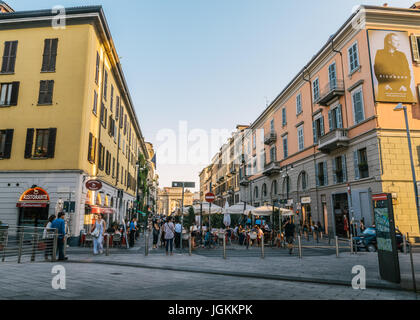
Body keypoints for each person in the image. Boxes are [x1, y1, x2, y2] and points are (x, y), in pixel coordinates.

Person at [374, 32, 414, 103]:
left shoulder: (401, 55)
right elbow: (377, 70)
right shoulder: (380, 53)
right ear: (389, 42)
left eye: (398, 41)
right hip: (386, 88)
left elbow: (407, 71)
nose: (398, 43)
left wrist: (405, 85)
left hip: (403, 89)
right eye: (396, 41)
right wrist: (385, 84)